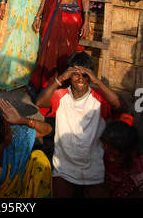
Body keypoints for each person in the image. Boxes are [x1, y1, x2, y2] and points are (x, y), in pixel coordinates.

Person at [36, 51, 126, 198]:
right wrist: (60, 78)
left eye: (85, 75)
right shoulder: (61, 95)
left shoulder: (99, 98)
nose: (80, 79)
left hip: (94, 168)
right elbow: (40, 102)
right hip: (64, 167)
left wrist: (97, 81)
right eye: (75, 74)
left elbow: (121, 107)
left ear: (91, 77)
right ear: (69, 75)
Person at [28, 0, 90, 102]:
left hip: (71, 17)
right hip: (50, 14)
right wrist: (38, 16)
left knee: (67, 53)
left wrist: (87, 20)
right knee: (48, 50)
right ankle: (47, 87)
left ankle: (65, 90)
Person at [0, 98, 53, 198]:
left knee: (39, 158)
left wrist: (22, 120)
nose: (11, 129)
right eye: (8, 130)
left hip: (17, 188)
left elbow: (47, 130)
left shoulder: (13, 135)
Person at [101, 114, 143, 198]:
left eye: (116, 155)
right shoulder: (105, 163)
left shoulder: (139, 175)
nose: (111, 159)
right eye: (108, 153)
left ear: (132, 151)